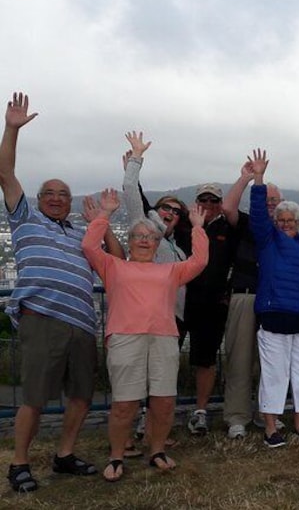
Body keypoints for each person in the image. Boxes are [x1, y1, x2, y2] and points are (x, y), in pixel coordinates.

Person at [1, 92, 120, 492]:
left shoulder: (81, 234)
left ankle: (64, 455)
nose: (55, 198)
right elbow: (4, 173)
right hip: (43, 318)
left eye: (63, 194)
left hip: (82, 323)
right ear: (37, 200)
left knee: (82, 397)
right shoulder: (25, 220)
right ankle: (18, 464)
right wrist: (11, 129)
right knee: (34, 398)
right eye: (49, 193)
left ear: (71, 203)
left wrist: (102, 220)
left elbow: (117, 261)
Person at [82, 189, 208, 480]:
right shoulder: (113, 266)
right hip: (126, 338)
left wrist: (199, 229)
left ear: (156, 242)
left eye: (149, 237)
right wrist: (105, 214)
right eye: (138, 236)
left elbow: (199, 262)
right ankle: (116, 456)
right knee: (125, 403)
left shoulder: (170, 270)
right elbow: (90, 247)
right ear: (129, 242)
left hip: (163, 339)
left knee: (164, 401)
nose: (143, 240)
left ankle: (157, 450)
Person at [248, 149, 299, 447]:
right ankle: (270, 428)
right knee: (275, 373)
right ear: (275, 221)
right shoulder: (267, 241)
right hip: (275, 314)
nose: (286, 223)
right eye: (281, 219)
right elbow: (257, 215)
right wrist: (259, 179)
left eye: (291, 219)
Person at [122, 131, 190, 452]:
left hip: (170, 320)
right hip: (144, 319)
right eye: (165, 207)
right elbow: (131, 196)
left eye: (176, 211)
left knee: (159, 384)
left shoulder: (176, 250)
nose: (170, 212)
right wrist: (136, 159)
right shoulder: (146, 230)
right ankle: (131, 438)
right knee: (138, 381)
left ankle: (151, 436)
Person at [220, 159, 284, 439]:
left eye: (275, 201)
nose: (271, 204)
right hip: (246, 295)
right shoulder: (245, 223)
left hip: (273, 301)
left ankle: (266, 413)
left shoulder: (285, 232)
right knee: (240, 359)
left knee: (270, 362)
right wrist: (247, 179)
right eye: (268, 200)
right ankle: (237, 416)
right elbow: (227, 208)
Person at [183, 180, 240, 435]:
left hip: (213, 302)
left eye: (213, 201)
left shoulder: (228, 228)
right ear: (196, 203)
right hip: (177, 300)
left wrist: (227, 291)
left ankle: (200, 411)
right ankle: (150, 411)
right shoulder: (183, 225)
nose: (208, 205)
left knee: (205, 359)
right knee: (165, 356)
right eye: (203, 200)